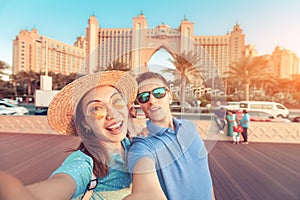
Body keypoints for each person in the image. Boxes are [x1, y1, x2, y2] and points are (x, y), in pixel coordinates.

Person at [0, 70, 138, 200]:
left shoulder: (133, 145)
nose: (112, 114)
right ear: (85, 123)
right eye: (97, 109)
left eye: (117, 102)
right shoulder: (84, 163)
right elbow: (62, 182)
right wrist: (19, 193)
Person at [124, 72, 214, 200]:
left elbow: (205, 174)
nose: (152, 100)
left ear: (170, 97)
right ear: (140, 105)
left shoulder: (189, 128)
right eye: (144, 97)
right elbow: (144, 192)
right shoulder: (142, 146)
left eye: (159, 93)